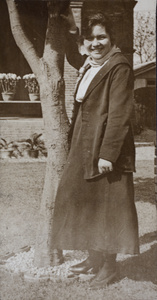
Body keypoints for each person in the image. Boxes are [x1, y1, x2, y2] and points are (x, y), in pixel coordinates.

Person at [51, 9, 139, 289]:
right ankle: (93, 257)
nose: (95, 43)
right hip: (84, 144)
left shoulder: (118, 66)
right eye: (90, 39)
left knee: (108, 209)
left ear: (112, 39)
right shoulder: (91, 62)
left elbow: (119, 114)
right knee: (85, 203)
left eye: (101, 37)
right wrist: (73, 31)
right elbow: (76, 53)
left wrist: (108, 154)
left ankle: (109, 267)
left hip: (105, 149)